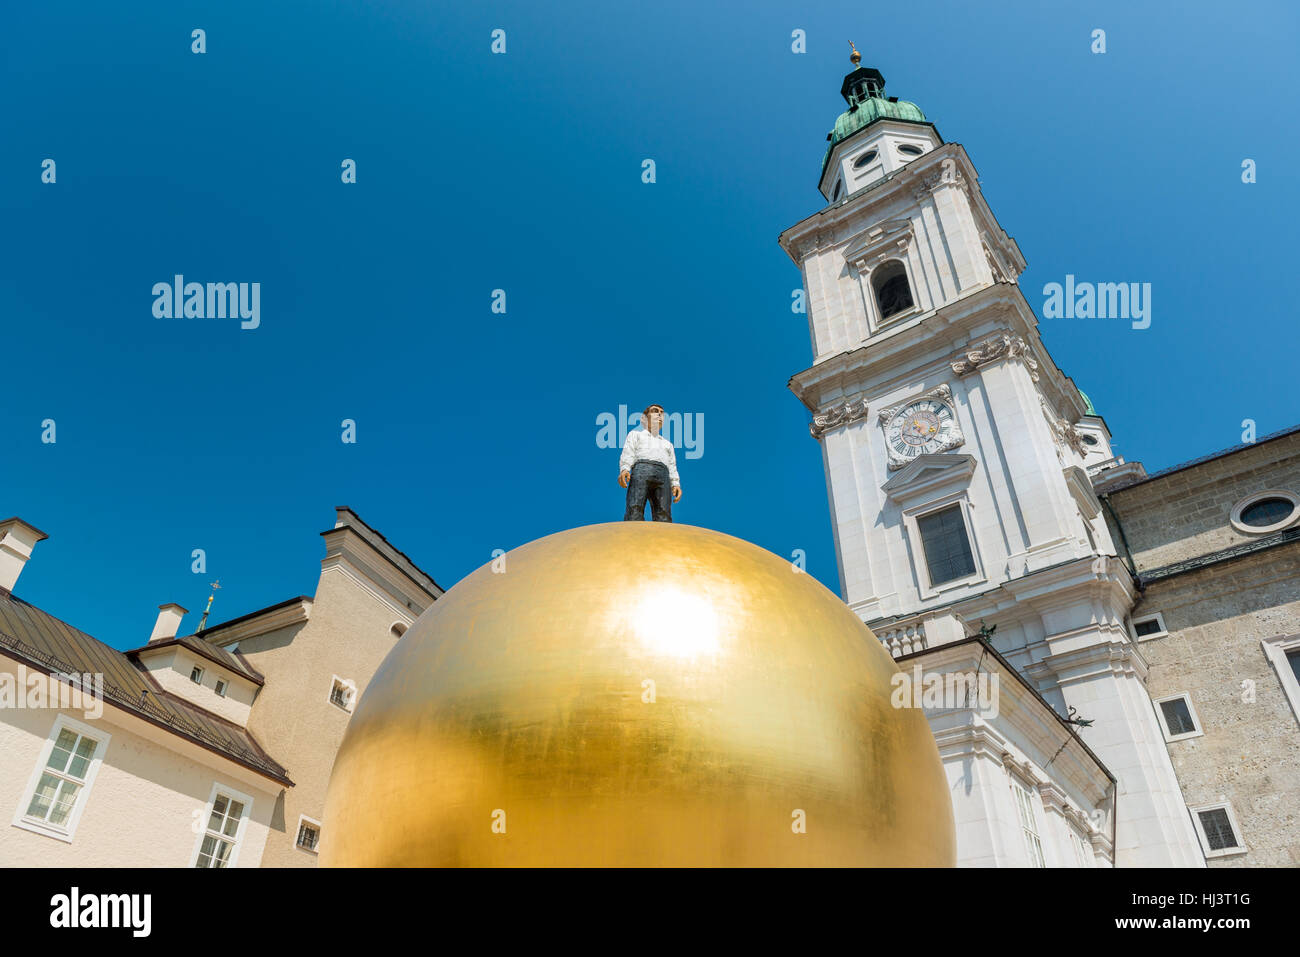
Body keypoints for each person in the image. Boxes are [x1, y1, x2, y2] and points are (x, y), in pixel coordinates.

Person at [619, 404, 682, 521]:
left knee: (664, 512)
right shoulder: (636, 435)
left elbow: (672, 466)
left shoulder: (667, 444)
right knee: (635, 506)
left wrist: (675, 484)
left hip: (663, 475)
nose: (659, 414)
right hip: (641, 471)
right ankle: (633, 535)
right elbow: (629, 451)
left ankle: (664, 537)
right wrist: (625, 468)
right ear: (644, 418)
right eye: (655, 411)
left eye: (662, 412)